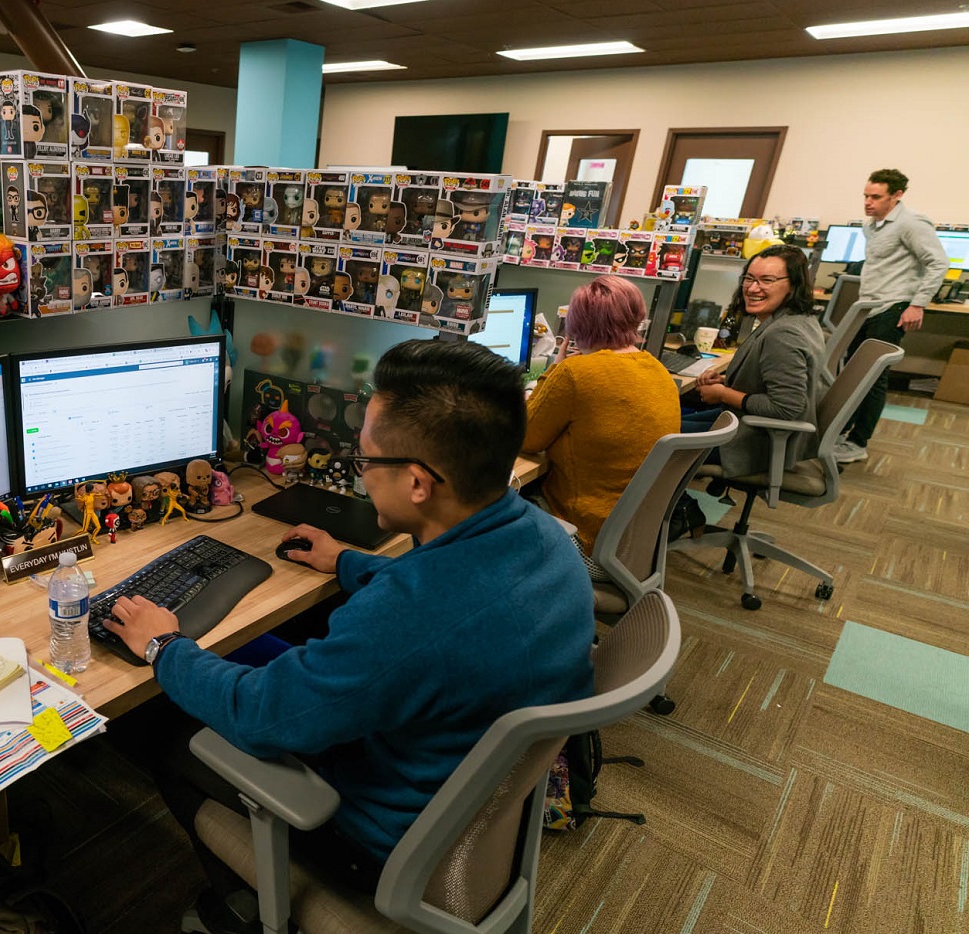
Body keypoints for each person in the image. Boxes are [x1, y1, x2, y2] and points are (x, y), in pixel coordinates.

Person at [106, 340, 595, 933]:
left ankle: (244, 908)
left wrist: (162, 645)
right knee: (262, 650)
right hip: (458, 801)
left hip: (375, 839)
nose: (360, 473)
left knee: (156, 724)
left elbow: (260, 716)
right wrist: (347, 561)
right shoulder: (548, 540)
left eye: (366, 460)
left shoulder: (407, 617)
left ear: (418, 482)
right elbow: (452, 598)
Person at [522, 275, 680, 569]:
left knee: (480, 505)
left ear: (577, 326)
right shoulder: (655, 367)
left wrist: (555, 368)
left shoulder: (577, 373)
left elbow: (527, 438)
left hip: (583, 541)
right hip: (633, 545)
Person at [682, 245, 830, 479]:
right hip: (748, 427)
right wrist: (725, 380)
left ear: (793, 285)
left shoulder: (783, 334)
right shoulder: (797, 319)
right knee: (668, 416)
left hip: (753, 443)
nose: (752, 288)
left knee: (652, 434)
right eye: (749, 278)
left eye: (766, 280)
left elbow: (785, 407)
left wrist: (722, 393)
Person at [835, 169, 948, 464]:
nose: (868, 202)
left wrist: (918, 304)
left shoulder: (911, 223)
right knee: (851, 373)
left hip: (893, 308)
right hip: (868, 308)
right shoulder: (870, 225)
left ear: (897, 195)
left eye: (876, 197)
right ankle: (840, 430)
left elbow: (938, 263)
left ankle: (858, 443)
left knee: (873, 377)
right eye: (865, 196)